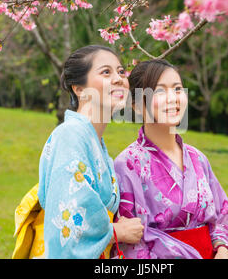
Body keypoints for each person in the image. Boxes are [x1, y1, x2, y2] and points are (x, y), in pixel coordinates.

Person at [12, 45, 144, 259]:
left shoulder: (95, 142)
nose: (119, 78)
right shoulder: (70, 136)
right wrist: (116, 231)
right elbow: (67, 220)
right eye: (106, 72)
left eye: (121, 72)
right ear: (79, 89)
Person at [113, 59, 228, 259]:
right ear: (136, 105)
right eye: (160, 91)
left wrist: (223, 249)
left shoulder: (198, 159)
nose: (173, 98)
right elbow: (129, 240)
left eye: (178, 89)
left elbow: (222, 218)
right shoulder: (127, 164)